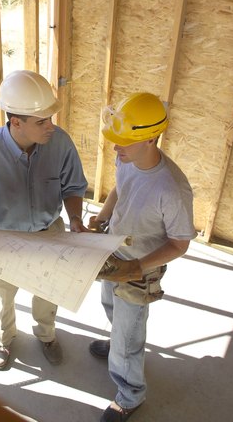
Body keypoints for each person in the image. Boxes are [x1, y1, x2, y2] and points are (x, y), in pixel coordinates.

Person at [0, 70, 89, 370]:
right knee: (3, 294)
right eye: (41, 121)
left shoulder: (60, 143)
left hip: (50, 232)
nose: (51, 127)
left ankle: (46, 335)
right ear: (15, 122)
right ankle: (3, 339)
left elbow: (73, 187)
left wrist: (74, 218)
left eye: (50, 119)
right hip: (4, 236)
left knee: (49, 291)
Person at [88, 92, 195, 422]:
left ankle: (130, 395)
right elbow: (120, 188)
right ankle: (116, 339)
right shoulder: (128, 157)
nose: (115, 148)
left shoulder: (171, 189)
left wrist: (136, 265)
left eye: (122, 142)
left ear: (150, 138)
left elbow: (179, 244)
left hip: (141, 266)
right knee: (109, 305)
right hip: (116, 248)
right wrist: (103, 218)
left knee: (129, 337)